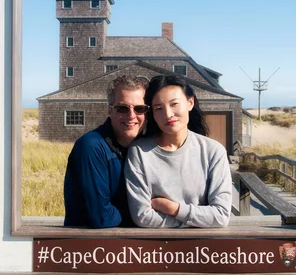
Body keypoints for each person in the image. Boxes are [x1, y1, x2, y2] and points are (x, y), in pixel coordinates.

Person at [125, 74, 232, 228]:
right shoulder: (140, 153)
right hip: (153, 250)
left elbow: (220, 216)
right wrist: (198, 221)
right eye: (159, 108)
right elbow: (142, 216)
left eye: (174, 104)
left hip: (204, 250)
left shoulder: (213, 151)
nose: (168, 114)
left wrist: (173, 209)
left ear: (190, 103)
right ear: (153, 114)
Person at [63, 75, 149, 228]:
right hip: (88, 247)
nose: (131, 115)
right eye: (122, 108)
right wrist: (147, 213)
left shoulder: (148, 146)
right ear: (110, 110)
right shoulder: (91, 146)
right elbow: (102, 217)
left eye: (139, 108)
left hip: (135, 247)